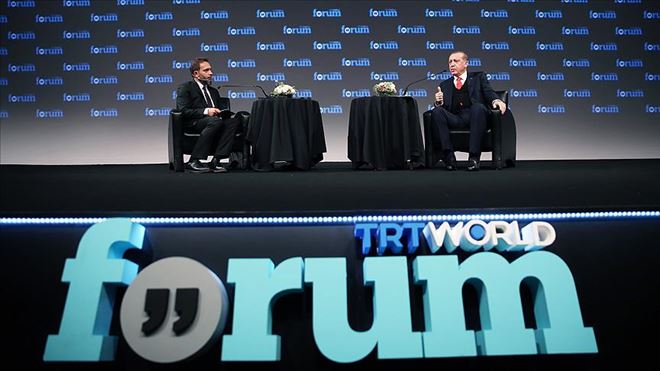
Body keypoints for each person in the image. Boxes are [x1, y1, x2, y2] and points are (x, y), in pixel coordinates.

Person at [431, 51, 506, 171]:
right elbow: (444, 110)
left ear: (466, 63)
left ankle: (474, 158)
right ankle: (449, 157)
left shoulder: (478, 77)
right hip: (455, 118)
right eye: (450, 61)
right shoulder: (444, 85)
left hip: (476, 117)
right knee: (436, 111)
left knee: (478, 107)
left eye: (456, 61)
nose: (452, 64)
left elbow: (488, 92)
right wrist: (439, 103)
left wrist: (496, 100)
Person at [176, 57, 239, 173]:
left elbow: (218, 110)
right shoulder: (186, 88)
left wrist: (222, 113)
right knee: (214, 121)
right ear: (196, 73)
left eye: (210, 70)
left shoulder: (214, 91)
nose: (211, 73)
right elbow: (183, 110)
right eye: (206, 70)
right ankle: (193, 160)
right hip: (194, 122)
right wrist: (206, 111)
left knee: (233, 122)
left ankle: (216, 160)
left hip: (215, 121)